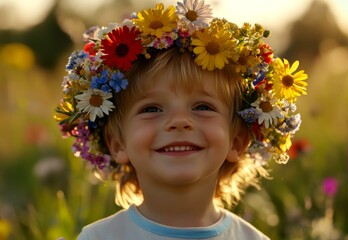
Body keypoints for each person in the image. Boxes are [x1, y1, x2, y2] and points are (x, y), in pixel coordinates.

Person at [54, 0, 308, 239]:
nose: (179, 121)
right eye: (152, 109)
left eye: (202, 106)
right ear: (117, 143)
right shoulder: (99, 237)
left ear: (237, 141)